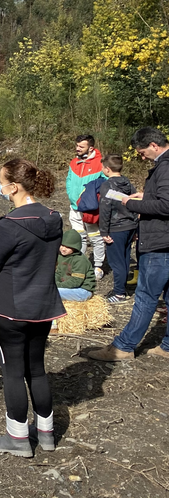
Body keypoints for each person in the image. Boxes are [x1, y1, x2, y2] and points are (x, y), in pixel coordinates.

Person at [0, 158, 65, 457]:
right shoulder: (54, 218)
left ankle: (17, 438)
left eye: (1, 182)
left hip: (8, 308)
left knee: (13, 372)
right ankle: (46, 434)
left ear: (13, 187)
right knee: (37, 369)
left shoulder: (9, 224)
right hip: (43, 306)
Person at [89, 127, 169, 361]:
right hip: (164, 240)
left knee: (145, 295)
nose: (142, 157)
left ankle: (124, 346)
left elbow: (166, 205)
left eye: (142, 152)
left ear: (154, 145)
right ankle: (167, 346)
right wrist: (146, 196)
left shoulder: (165, 167)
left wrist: (130, 203)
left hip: (159, 242)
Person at [98, 154, 138, 303]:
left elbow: (105, 209)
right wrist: (135, 227)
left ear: (107, 169)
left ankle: (119, 293)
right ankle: (122, 287)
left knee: (116, 261)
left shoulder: (107, 185)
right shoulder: (127, 183)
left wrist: (103, 231)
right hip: (130, 226)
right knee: (125, 258)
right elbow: (136, 204)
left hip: (115, 228)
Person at [66, 134, 106, 280]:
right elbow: (69, 181)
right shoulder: (74, 162)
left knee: (95, 238)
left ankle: (98, 266)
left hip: (91, 208)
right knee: (79, 237)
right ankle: (80, 266)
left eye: (81, 146)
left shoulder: (100, 163)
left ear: (91, 148)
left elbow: (106, 184)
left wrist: (93, 199)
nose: (77, 148)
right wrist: (72, 196)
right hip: (75, 207)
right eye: (77, 146)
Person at [54, 230, 96, 301]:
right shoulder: (60, 256)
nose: (63, 249)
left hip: (82, 291)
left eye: (68, 247)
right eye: (62, 245)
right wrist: (54, 283)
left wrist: (57, 285)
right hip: (67, 288)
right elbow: (58, 273)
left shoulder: (80, 260)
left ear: (75, 247)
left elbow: (76, 281)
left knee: (50, 292)